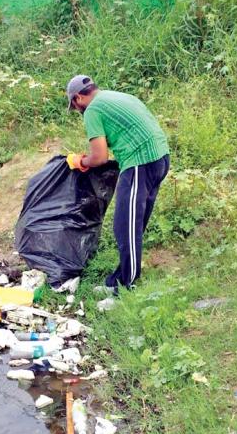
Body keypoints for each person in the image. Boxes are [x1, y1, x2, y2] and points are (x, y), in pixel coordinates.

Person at [65, 75, 170, 294]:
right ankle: (119, 279)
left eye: (74, 107)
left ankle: (124, 287)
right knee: (133, 225)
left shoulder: (93, 110)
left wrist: (79, 161)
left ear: (78, 99)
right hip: (160, 157)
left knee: (125, 227)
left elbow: (100, 157)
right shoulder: (116, 96)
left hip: (141, 163)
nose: (78, 111)